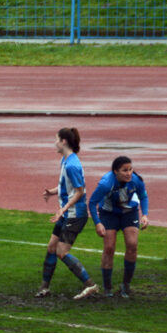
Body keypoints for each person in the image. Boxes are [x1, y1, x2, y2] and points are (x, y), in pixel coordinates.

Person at [36, 127, 96, 300]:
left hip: (75, 214)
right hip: (67, 213)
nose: (54, 142)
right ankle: (44, 287)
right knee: (51, 247)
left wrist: (63, 208)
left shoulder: (72, 165)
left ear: (64, 141)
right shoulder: (66, 160)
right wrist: (52, 192)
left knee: (62, 252)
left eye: (56, 139)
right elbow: (66, 187)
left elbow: (80, 192)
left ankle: (90, 285)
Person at [88, 155, 149, 298]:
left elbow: (143, 196)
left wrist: (144, 215)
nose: (129, 173)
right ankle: (107, 287)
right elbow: (92, 202)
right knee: (109, 248)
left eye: (130, 169)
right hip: (109, 214)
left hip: (129, 213)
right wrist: (98, 223)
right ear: (116, 171)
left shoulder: (136, 180)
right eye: (124, 170)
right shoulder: (106, 184)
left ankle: (126, 285)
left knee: (132, 245)